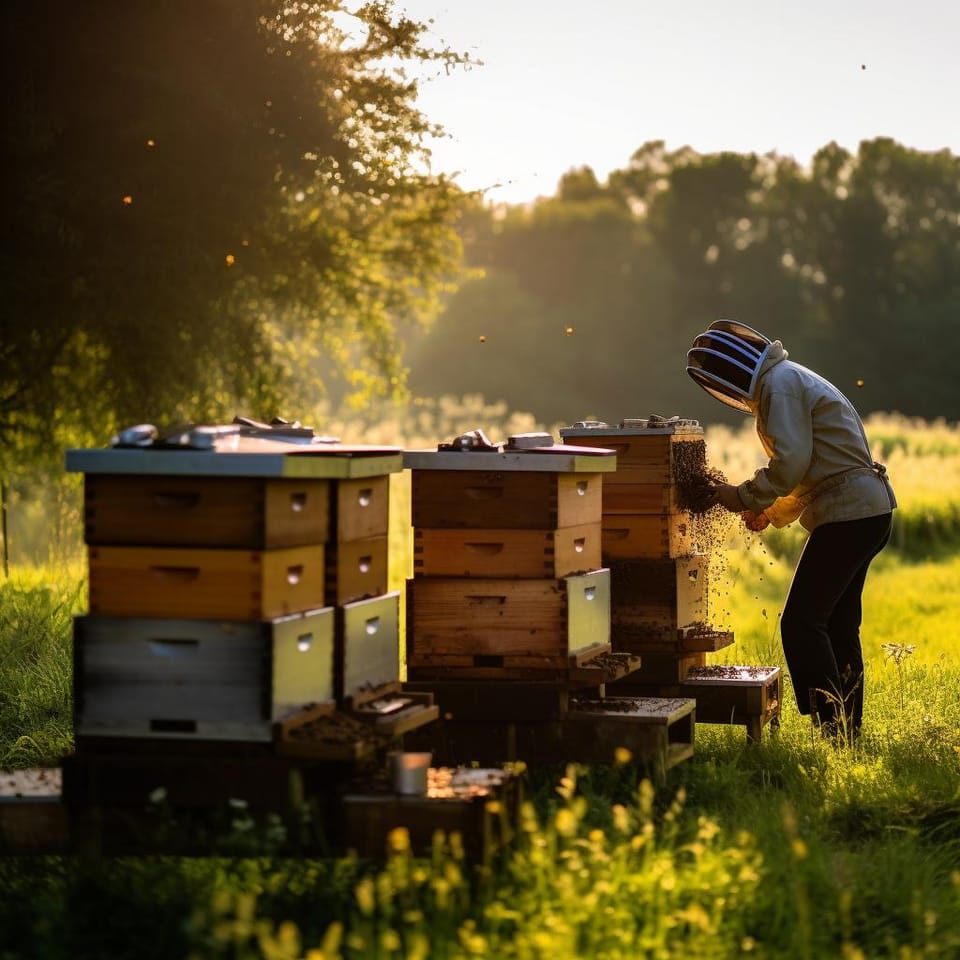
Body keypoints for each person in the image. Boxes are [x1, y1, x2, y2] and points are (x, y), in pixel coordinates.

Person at [686, 319, 897, 741]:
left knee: (802, 623)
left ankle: (831, 728)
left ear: (734, 371)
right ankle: (846, 732)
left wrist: (743, 496)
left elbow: (792, 462)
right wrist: (768, 510)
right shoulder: (787, 378)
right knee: (838, 625)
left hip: (850, 513)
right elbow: (816, 469)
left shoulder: (780, 386)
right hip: (865, 510)